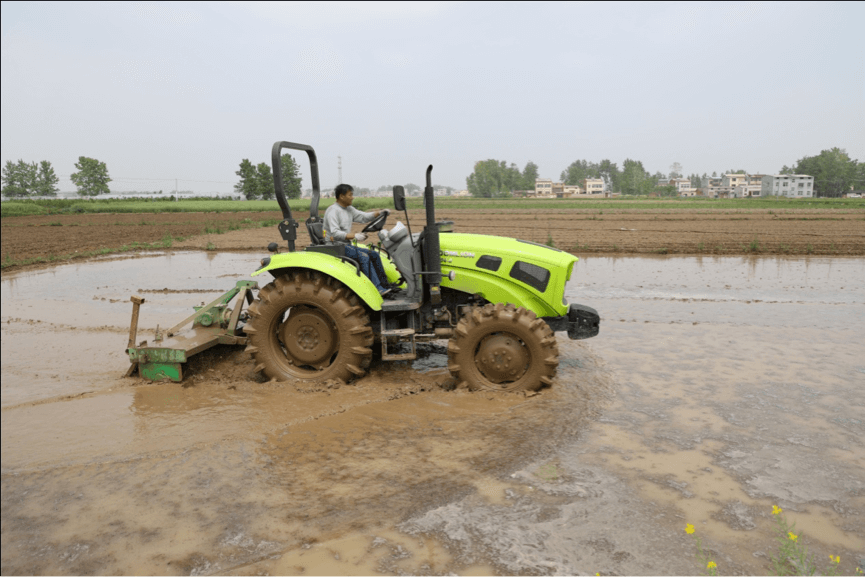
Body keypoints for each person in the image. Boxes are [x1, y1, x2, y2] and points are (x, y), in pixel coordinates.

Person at [323, 184, 395, 297]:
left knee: (374, 254)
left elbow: (363, 217)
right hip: (335, 246)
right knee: (363, 256)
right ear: (342, 196)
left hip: (345, 245)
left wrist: (380, 212)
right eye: (350, 195)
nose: (352, 197)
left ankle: (385, 285)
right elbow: (335, 233)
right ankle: (377, 288)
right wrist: (354, 236)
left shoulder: (348, 209)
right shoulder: (333, 211)